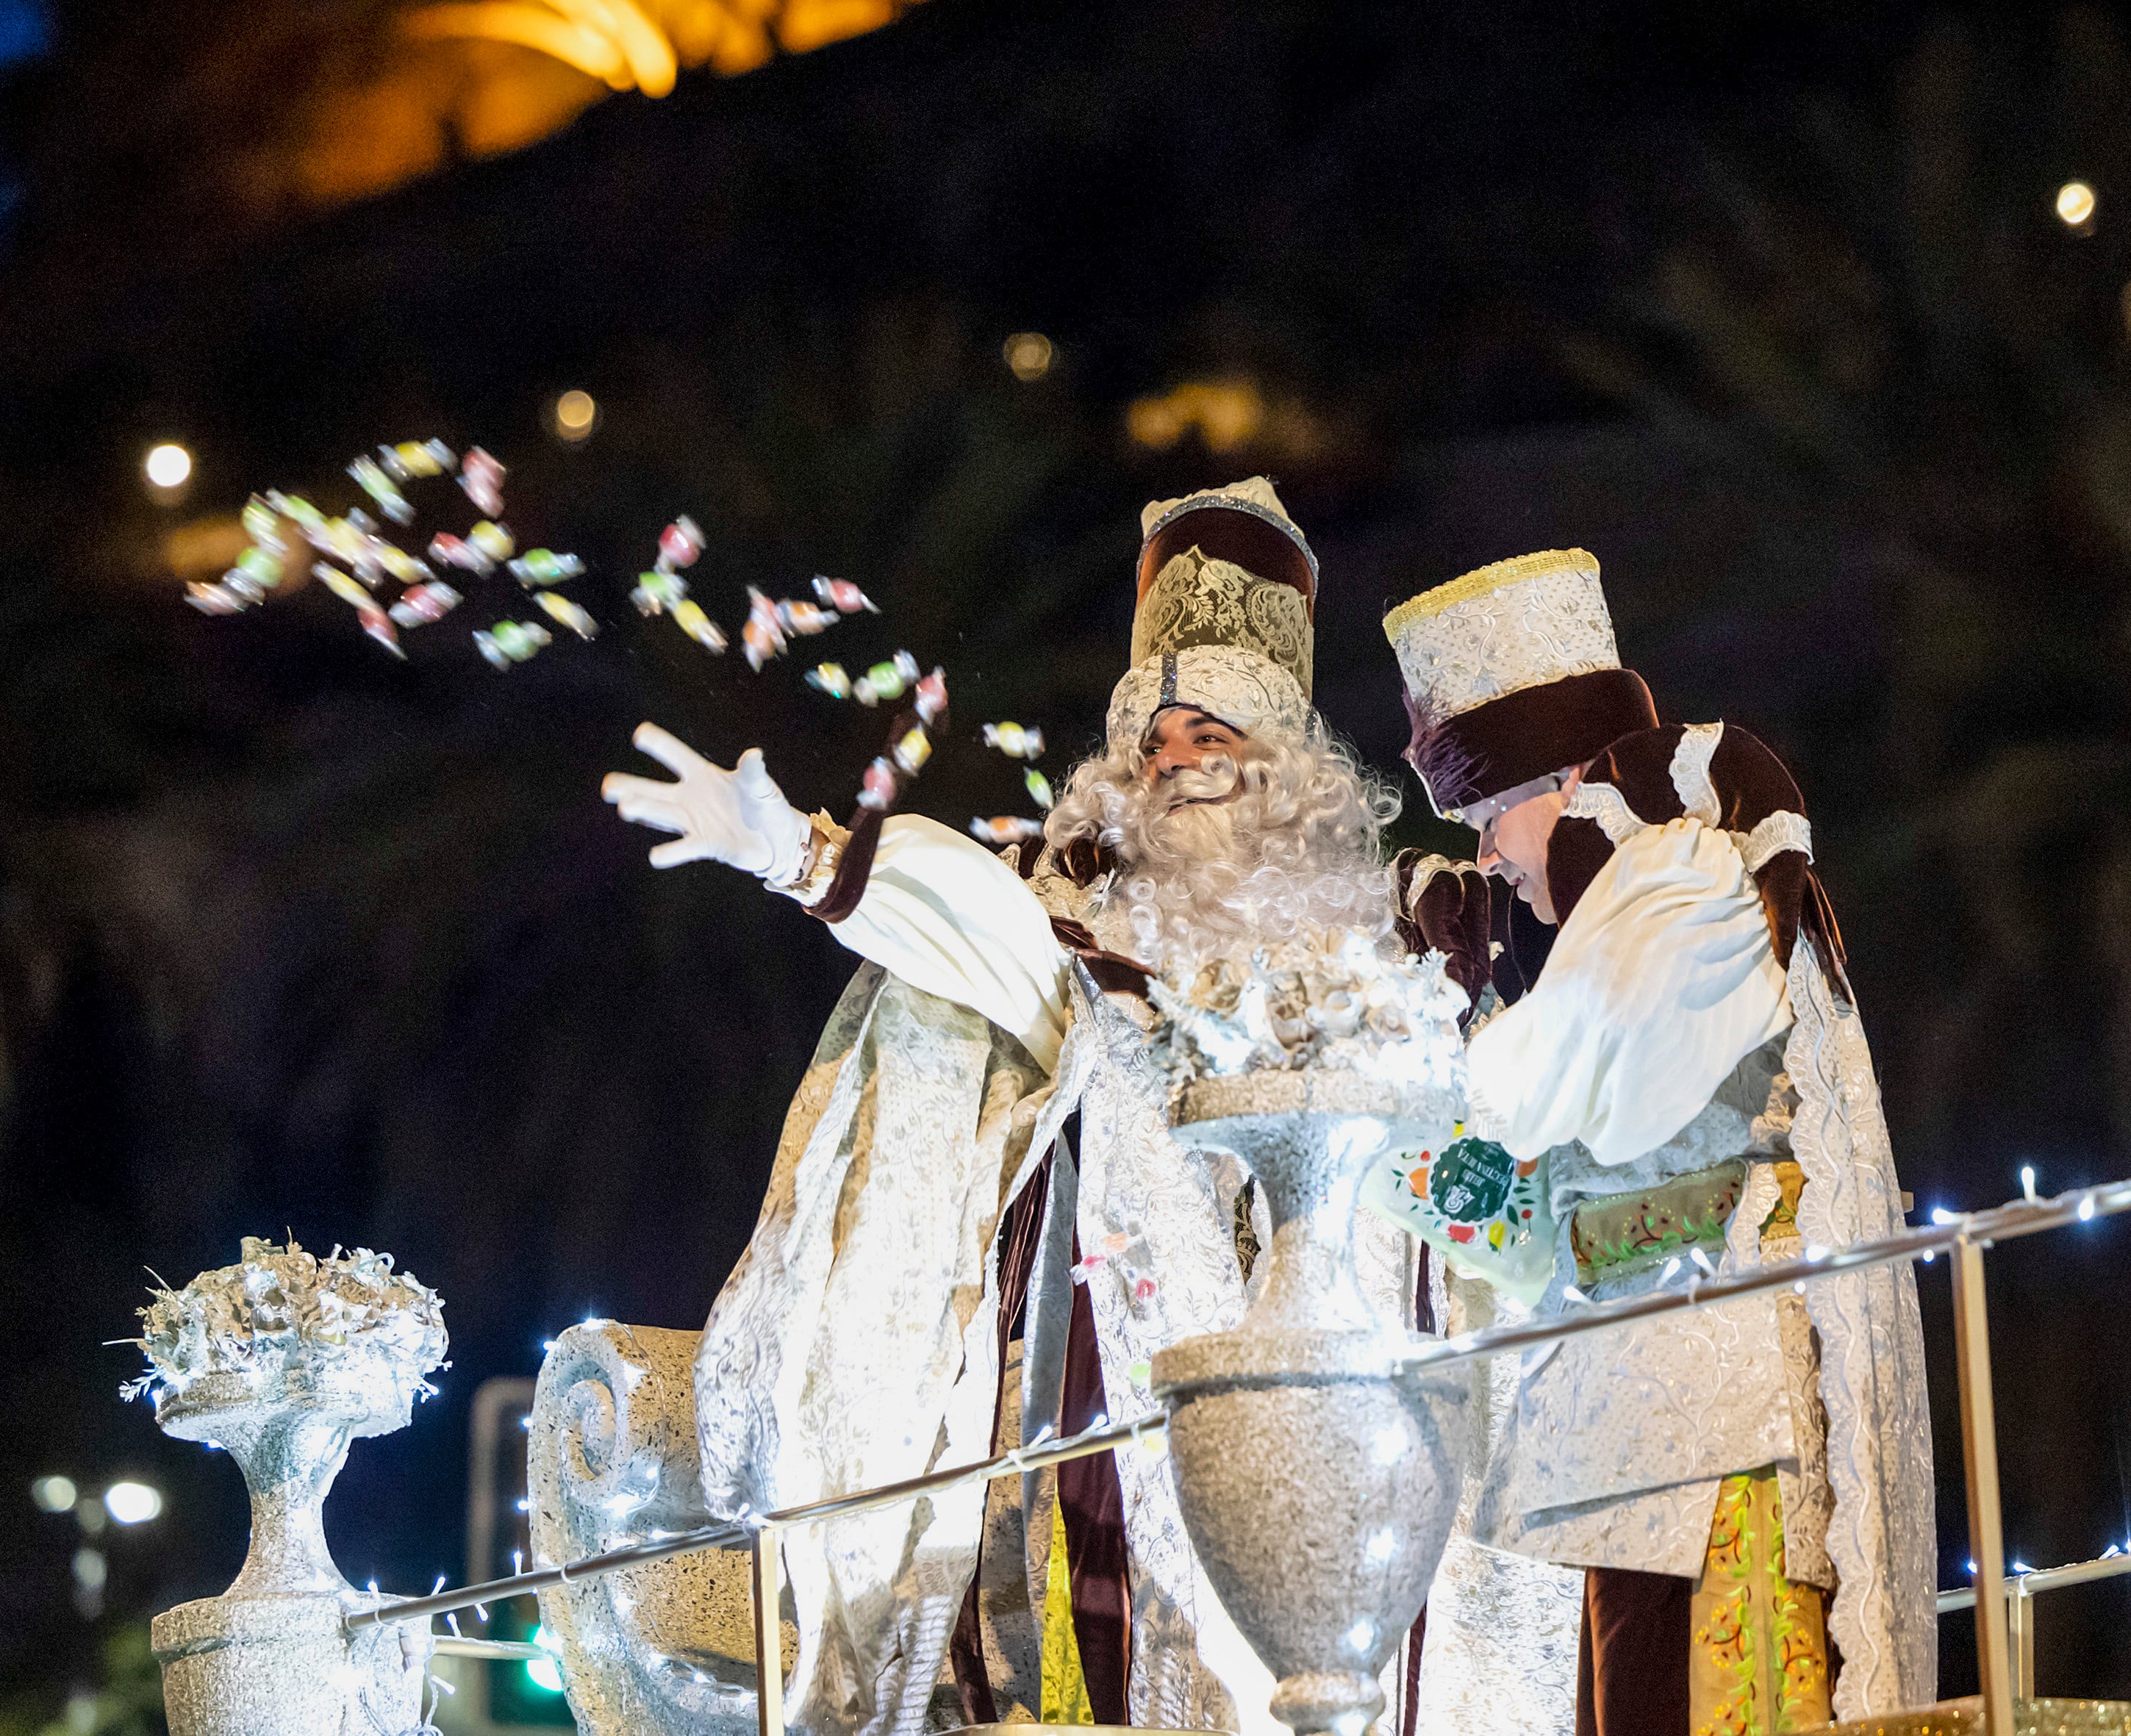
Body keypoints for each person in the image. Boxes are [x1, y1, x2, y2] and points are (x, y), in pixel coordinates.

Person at [604, 478, 1403, 1736]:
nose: (1181, 768)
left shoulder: (1373, 959)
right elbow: (983, 929)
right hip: (1074, 1377)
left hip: (1304, 1414)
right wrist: (804, 856)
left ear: (1286, 773)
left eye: (1215, 741)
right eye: (1160, 743)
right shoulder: (1075, 922)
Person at [1383, 549, 1936, 1734]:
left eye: (1487, 814)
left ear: (1570, 776)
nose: (1484, 858)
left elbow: (1539, 1123)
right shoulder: (1652, 891)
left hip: (1718, 1456)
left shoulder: (1684, 871)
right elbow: (1548, 1201)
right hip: (1651, 1460)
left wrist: (1417, 1051)